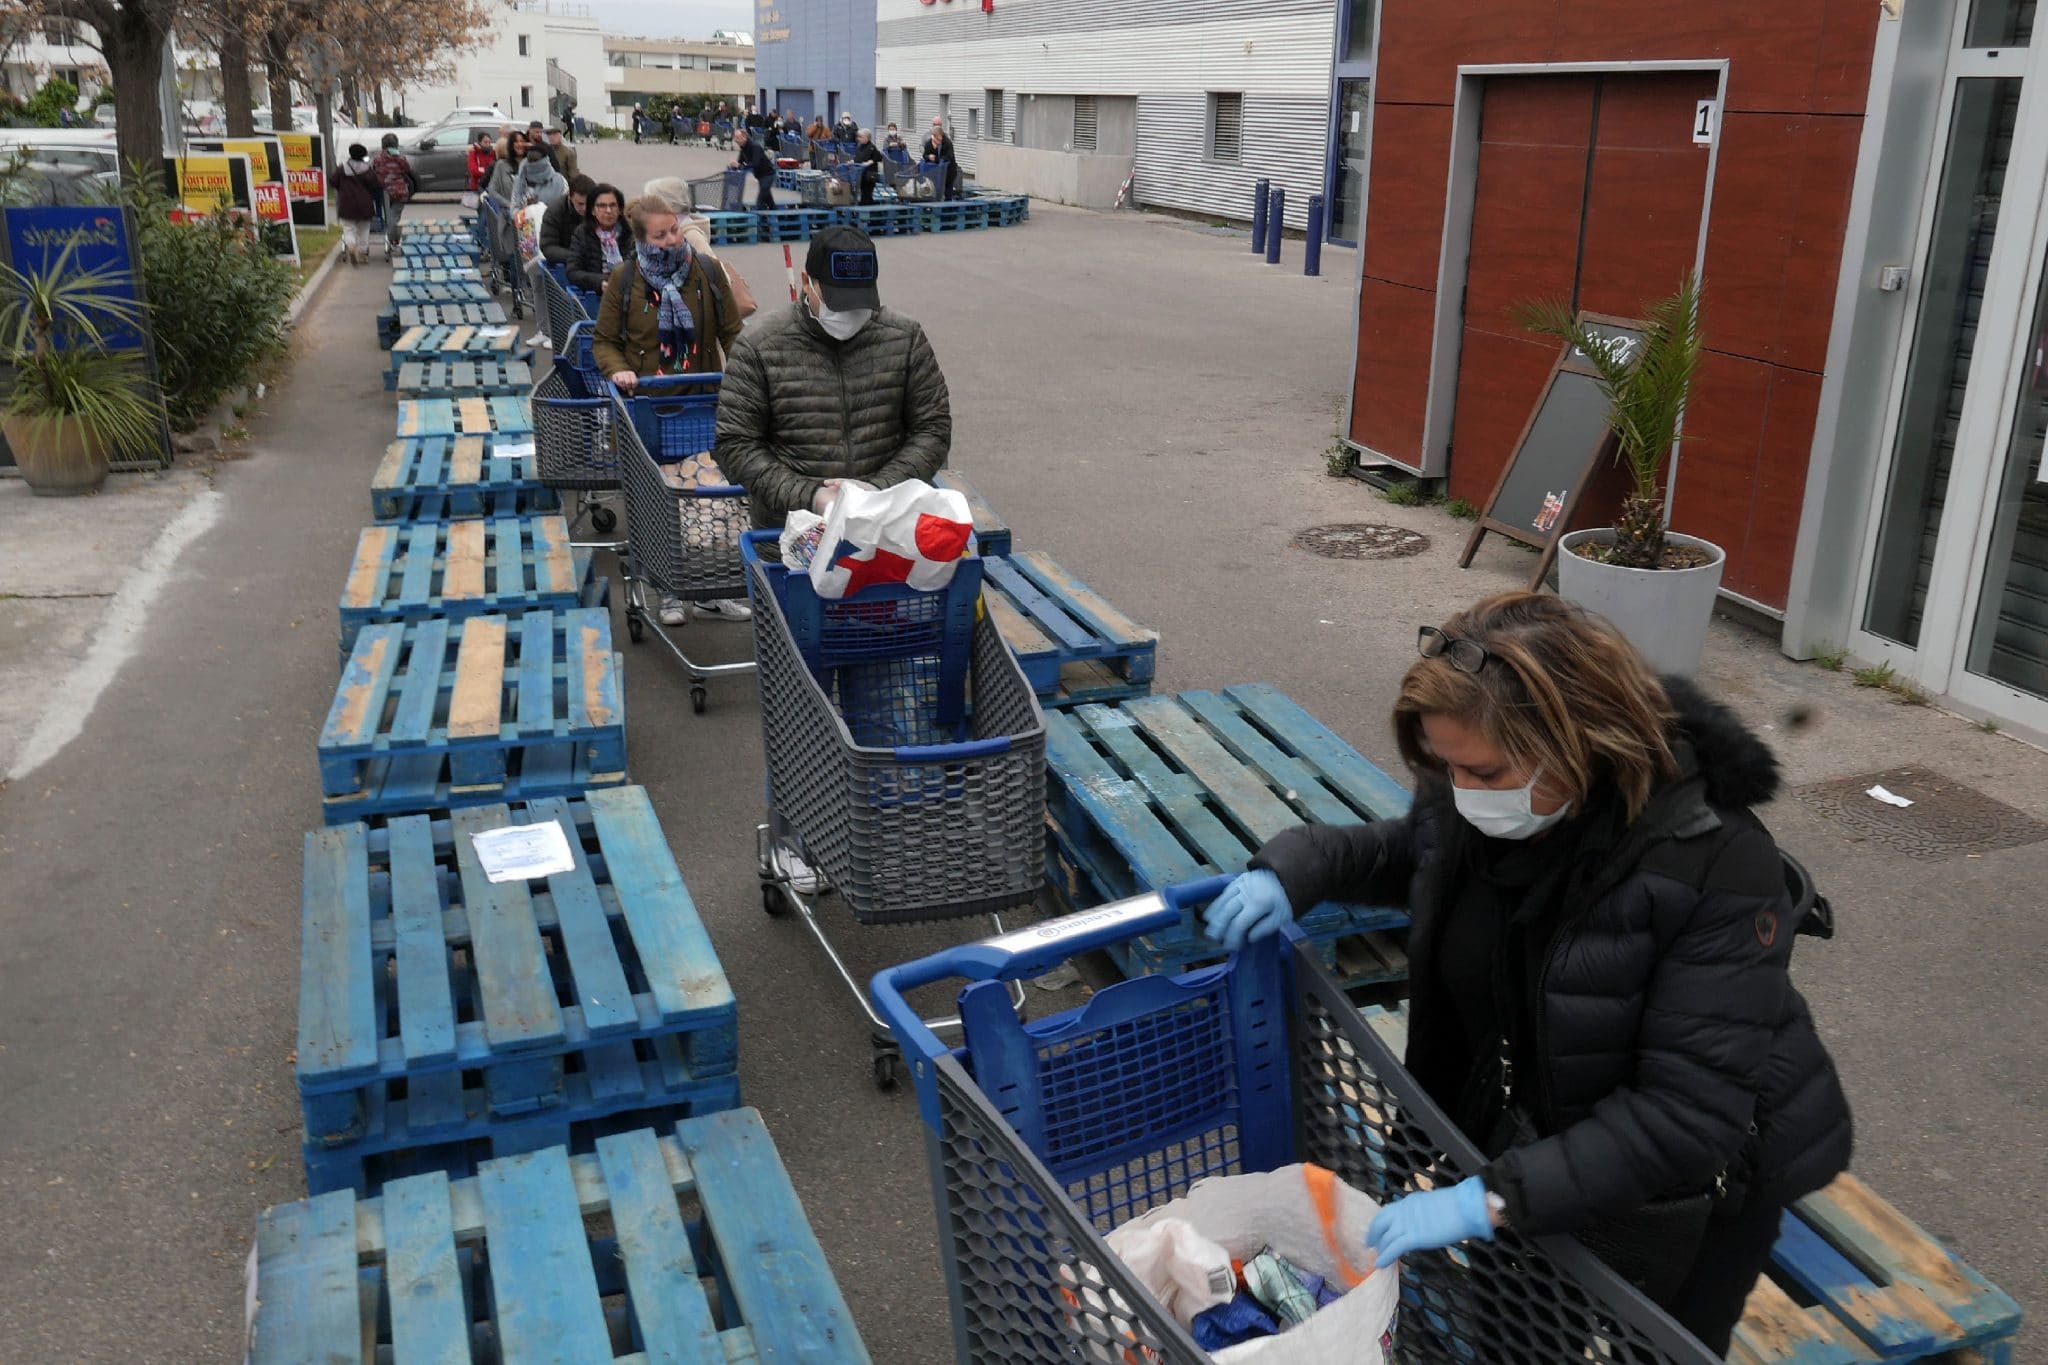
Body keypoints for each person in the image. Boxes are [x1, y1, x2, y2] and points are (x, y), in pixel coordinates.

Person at [1201, 593, 1854, 1355]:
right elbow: (1414, 852)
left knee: (1665, 1343)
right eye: (1446, 767)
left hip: (1703, 1183)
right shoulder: (1481, 788)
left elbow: (1687, 1114)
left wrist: (1493, 1198)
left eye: (1484, 770)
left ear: (1579, 737)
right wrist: (1294, 868)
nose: (1463, 792)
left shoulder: (1714, 862)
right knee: (1517, 1335)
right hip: (1537, 1131)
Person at [716, 223, 950, 891]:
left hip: (880, 554)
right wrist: (811, 494)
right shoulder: (761, 348)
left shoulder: (904, 339)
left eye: (862, 300)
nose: (850, 314)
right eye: (837, 298)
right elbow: (736, 443)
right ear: (808, 286)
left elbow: (932, 427)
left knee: (882, 693)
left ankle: (876, 830)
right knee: (803, 703)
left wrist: (878, 491)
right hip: (793, 554)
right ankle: (797, 835)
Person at [592, 193, 747, 628]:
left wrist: (748, 371)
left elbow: (733, 332)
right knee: (660, 502)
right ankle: (667, 590)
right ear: (641, 238)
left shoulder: (707, 271)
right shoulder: (625, 280)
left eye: (674, 229)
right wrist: (620, 370)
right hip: (650, 411)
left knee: (715, 501)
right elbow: (604, 342)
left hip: (703, 405)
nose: (671, 240)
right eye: (660, 235)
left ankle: (716, 589)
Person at [567, 182, 629, 293]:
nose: (608, 211)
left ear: (620, 210)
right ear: (593, 210)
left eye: (613, 205)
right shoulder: (582, 234)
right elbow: (573, 272)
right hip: (596, 295)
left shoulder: (629, 234)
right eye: (602, 206)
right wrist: (600, 282)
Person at [368, 133, 418, 261]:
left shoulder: (377, 158)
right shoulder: (401, 158)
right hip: (400, 191)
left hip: (383, 191)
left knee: (389, 217)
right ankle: (393, 239)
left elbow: (373, 170)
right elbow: (407, 169)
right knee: (395, 217)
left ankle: (391, 240)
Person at [334, 143, 382, 266]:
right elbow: (376, 185)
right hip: (364, 205)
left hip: (346, 204)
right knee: (364, 230)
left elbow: (333, 181)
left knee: (349, 229)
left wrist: (342, 187)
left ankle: (351, 247)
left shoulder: (342, 168)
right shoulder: (367, 169)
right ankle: (363, 253)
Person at [540, 173, 593, 267]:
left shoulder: (599, 208)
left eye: (589, 203)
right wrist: (575, 256)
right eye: (580, 204)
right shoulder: (555, 211)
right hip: (565, 263)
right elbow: (548, 247)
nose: (585, 208)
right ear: (570, 197)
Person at [730, 127, 776, 211]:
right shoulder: (743, 148)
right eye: (735, 137)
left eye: (737, 138)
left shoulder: (755, 147)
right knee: (768, 199)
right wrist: (734, 166)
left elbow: (755, 163)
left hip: (768, 175)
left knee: (760, 200)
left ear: (744, 137)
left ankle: (758, 220)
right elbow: (740, 161)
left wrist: (740, 166)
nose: (735, 140)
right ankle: (776, 215)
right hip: (759, 176)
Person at [921, 116, 960, 199]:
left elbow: (949, 157)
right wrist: (929, 157)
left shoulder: (947, 143)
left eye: (937, 137)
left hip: (948, 171)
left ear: (941, 135)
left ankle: (948, 204)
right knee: (934, 191)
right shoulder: (930, 143)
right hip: (935, 171)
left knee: (947, 191)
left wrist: (936, 159)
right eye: (934, 137)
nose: (935, 139)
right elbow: (925, 155)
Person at [851, 128, 883, 205]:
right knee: (863, 191)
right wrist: (852, 161)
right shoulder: (860, 146)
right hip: (861, 173)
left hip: (869, 174)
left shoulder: (872, 147)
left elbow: (879, 157)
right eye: (858, 137)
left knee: (867, 192)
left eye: (860, 137)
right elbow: (857, 158)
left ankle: (867, 207)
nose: (858, 139)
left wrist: (870, 162)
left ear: (867, 137)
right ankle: (869, 205)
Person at [466, 129, 496, 195]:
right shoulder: (474, 153)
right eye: (485, 142)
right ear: (480, 142)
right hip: (477, 186)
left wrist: (482, 170)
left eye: (489, 142)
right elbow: (474, 170)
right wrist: (488, 171)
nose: (488, 144)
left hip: (491, 187)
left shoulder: (493, 153)